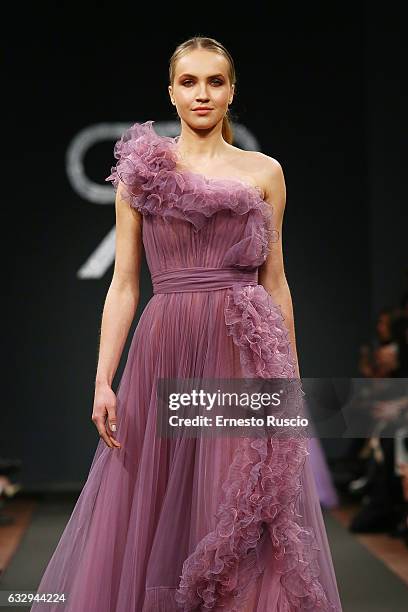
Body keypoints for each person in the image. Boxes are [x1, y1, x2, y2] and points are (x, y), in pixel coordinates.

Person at [31, 36, 343, 611]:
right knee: (159, 498)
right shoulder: (141, 172)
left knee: (236, 494)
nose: (203, 93)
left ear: (231, 91)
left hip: (243, 347)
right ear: (171, 92)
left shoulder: (264, 172)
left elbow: (275, 280)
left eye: (215, 81)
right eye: (190, 82)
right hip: (166, 346)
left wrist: (291, 376)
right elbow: (124, 282)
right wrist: (103, 379)